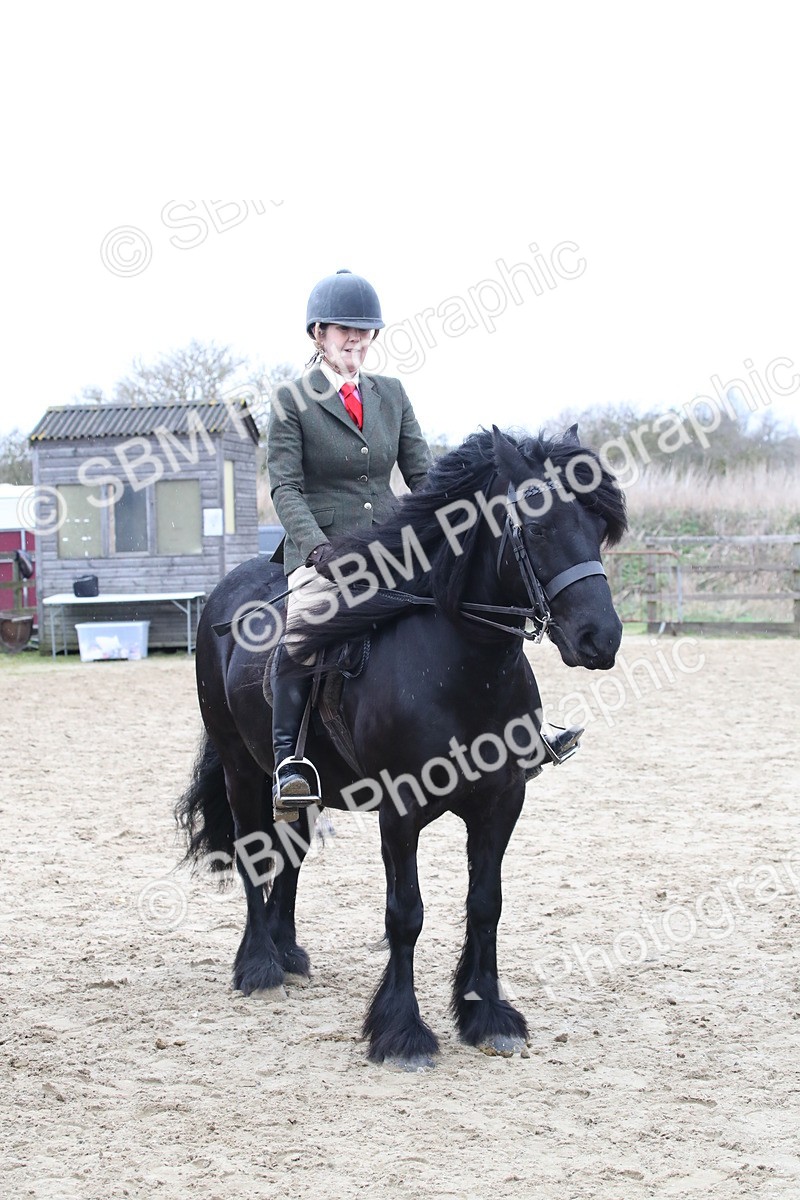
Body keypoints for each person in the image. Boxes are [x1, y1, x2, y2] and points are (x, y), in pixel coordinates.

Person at [266, 269, 582, 816]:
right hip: (325, 549)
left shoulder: (390, 394)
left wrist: (454, 526)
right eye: (345, 330)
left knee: (474, 609)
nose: (356, 340)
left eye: (365, 331)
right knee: (303, 628)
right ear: (319, 333)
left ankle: (525, 729)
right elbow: (285, 487)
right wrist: (317, 548)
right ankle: (289, 762)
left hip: (395, 542)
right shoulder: (291, 400)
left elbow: (423, 476)